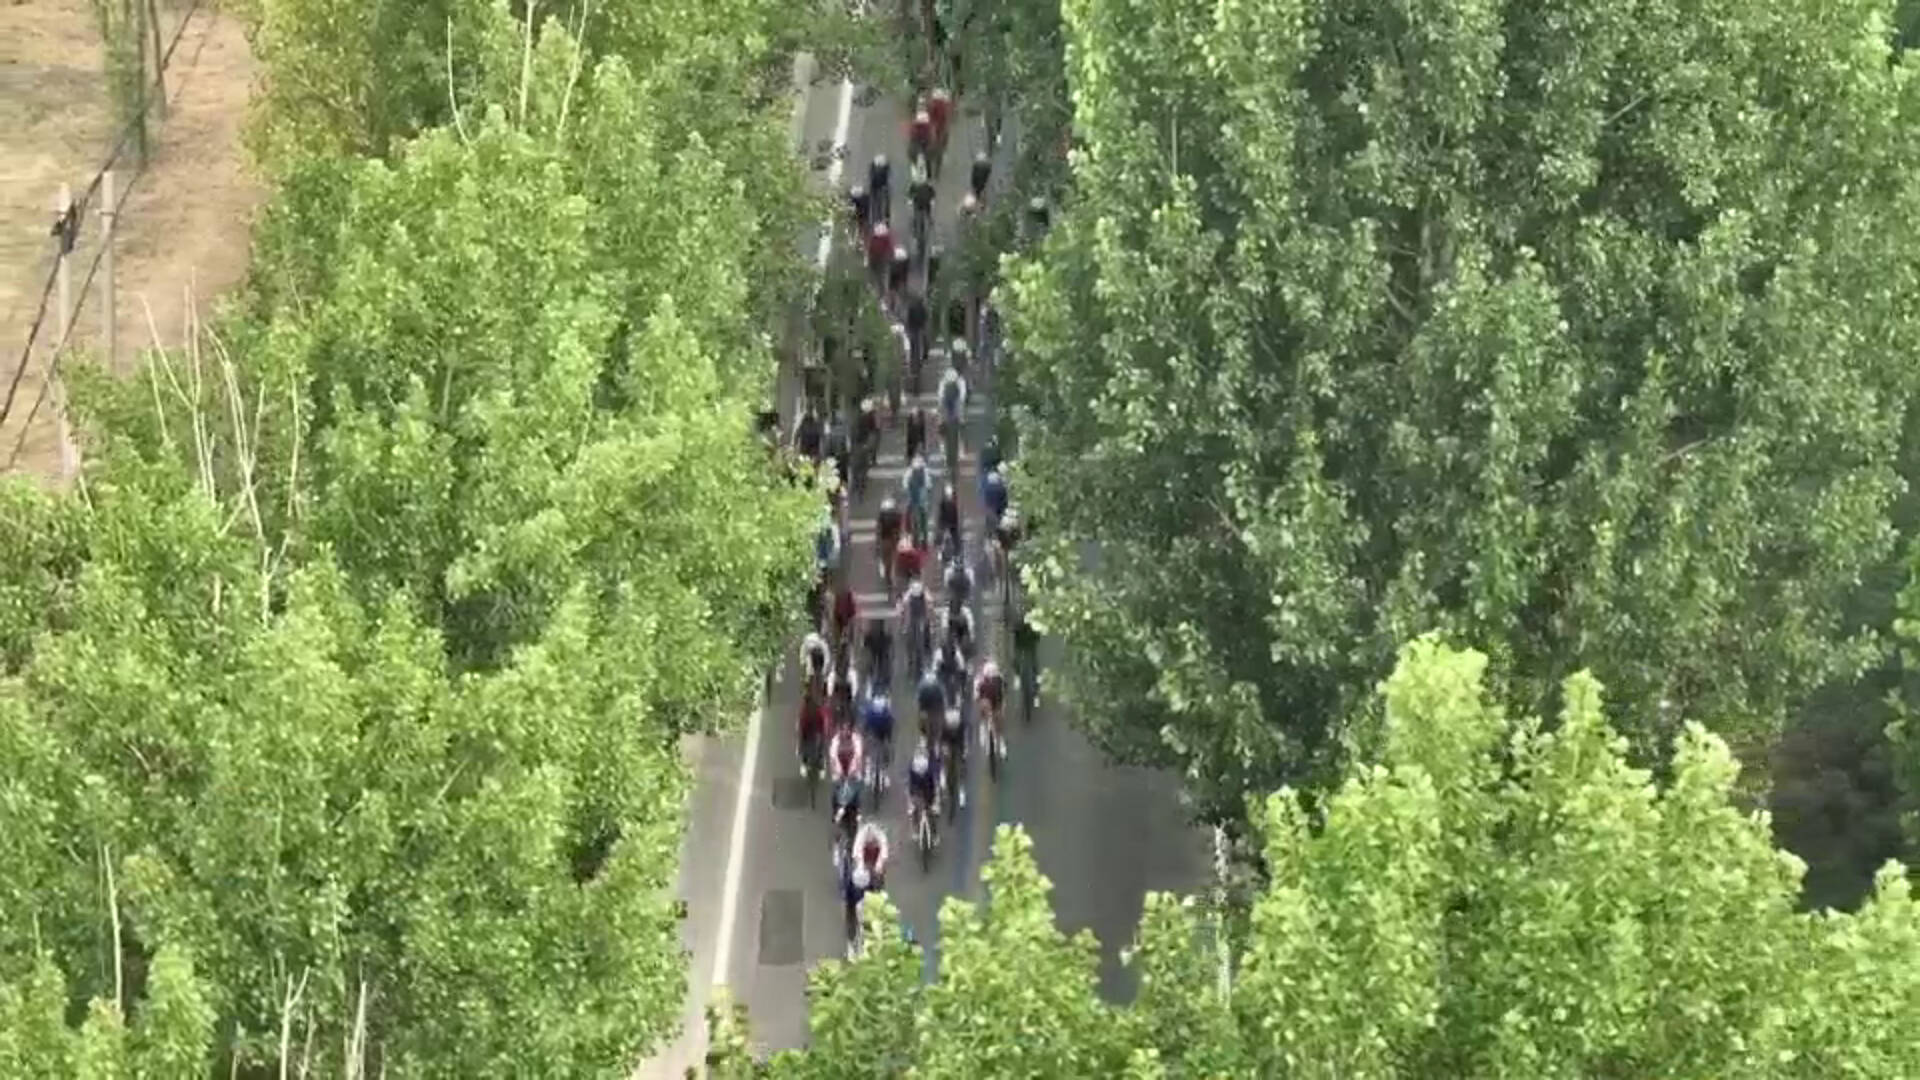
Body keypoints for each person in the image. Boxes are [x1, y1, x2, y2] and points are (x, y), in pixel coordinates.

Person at [906, 738, 939, 840]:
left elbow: (932, 784)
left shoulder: (916, 766)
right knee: (918, 809)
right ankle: (932, 834)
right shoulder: (926, 766)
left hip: (924, 790)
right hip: (921, 790)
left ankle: (926, 832)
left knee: (924, 810)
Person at [861, 691, 895, 786]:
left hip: (876, 733)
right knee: (884, 753)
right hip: (880, 733)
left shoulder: (872, 710)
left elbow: (866, 723)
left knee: (870, 752)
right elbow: (890, 724)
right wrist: (889, 738)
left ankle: (870, 773)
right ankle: (883, 773)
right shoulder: (885, 711)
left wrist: (865, 734)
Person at [975, 657, 1006, 756]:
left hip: (990, 699)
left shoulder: (980, 679)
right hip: (994, 699)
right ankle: (1000, 742)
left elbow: (977, 697)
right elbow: (1003, 690)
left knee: (988, 715)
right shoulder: (997, 676)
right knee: (998, 718)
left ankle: (986, 733)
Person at [938, 364, 967, 470]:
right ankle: (959, 450)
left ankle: (945, 450)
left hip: (949, 410)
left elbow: (940, 397)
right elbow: (962, 397)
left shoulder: (944, 382)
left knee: (943, 429)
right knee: (960, 428)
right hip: (954, 410)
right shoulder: (960, 381)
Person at [902, 576, 932, 674]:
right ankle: (910, 661)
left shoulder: (926, 596)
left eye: (918, 597)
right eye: (915, 598)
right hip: (912, 617)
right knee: (910, 640)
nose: (917, 599)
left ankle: (922, 659)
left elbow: (928, 610)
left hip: (921, 617)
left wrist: (928, 623)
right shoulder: (907, 598)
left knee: (921, 639)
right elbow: (906, 612)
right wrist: (906, 626)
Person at [798, 687, 828, 778]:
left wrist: (822, 734)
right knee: (806, 748)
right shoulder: (805, 712)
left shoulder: (816, 712)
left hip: (816, 732)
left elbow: (822, 725)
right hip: (810, 732)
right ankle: (806, 764)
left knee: (820, 749)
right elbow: (802, 726)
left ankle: (820, 766)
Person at [904, 454, 932, 547]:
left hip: (921, 494)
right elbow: (905, 482)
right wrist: (907, 489)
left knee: (924, 513)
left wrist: (927, 489)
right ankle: (908, 531)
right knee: (908, 510)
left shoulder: (925, 471)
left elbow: (928, 483)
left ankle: (924, 536)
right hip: (913, 494)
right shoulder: (909, 471)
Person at [853, 819, 889, 888]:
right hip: (864, 853)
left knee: (879, 871)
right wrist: (861, 864)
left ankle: (879, 884)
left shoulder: (880, 836)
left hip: (876, 852)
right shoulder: (861, 836)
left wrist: (879, 864)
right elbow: (857, 850)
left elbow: (884, 849)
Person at [877, 496, 904, 590]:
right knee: (893, 559)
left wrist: (878, 542)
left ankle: (889, 577)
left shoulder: (882, 514)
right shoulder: (896, 514)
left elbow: (879, 529)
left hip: (885, 539)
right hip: (893, 539)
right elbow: (900, 527)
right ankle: (892, 578)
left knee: (887, 560)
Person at [864, 615, 893, 694]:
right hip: (877, 647)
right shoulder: (870, 637)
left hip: (880, 647)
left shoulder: (884, 637)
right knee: (874, 661)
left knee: (882, 662)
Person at [928, 88, 954, 170]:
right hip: (941, 127)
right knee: (943, 141)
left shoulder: (934, 104)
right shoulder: (944, 105)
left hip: (936, 127)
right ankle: (942, 154)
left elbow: (931, 115)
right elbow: (946, 116)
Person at [936, 482, 960, 557]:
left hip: (951, 523)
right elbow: (941, 515)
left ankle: (956, 552)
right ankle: (941, 549)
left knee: (954, 537)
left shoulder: (953, 503)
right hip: (946, 523)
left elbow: (955, 516)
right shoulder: (943, 503)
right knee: (942, 536)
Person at [983, 466, 1008, 534]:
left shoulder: (987, 489)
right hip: (998, 511)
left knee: (989, 525)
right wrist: (1004, 508)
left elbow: (984, 499)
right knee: (998, 526)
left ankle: (989, 535)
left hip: (989, 510)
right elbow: (1005, 500)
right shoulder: (1001, 488)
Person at [869, 153, 892, 223]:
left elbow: (871, 176)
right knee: (879, 202)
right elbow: (872, 176)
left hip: (880, 187)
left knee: (880, 202)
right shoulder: (881, 166)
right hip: (877, 187)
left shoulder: (875, 166)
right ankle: (879, 218)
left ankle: (881, 218)